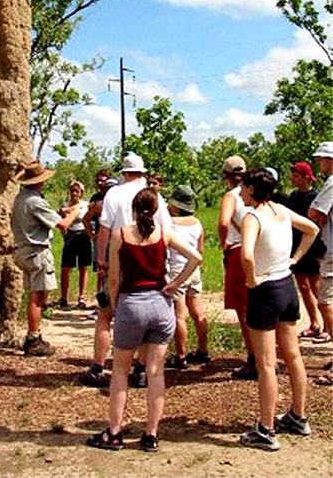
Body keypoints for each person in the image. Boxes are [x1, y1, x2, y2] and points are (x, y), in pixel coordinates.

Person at [86, 187, 201, 451]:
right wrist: (174, 284)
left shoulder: (120, 235)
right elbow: (196, 258)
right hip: (160, 305)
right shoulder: (164, 233)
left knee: (120, 371)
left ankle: (114, 432)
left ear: (133, 210)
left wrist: (114, 307)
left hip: (132, 303)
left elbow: (114, 279)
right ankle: (151, 434)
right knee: (155, 371)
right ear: (157, 209)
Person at [238, 168, 319, 451]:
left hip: (265, 291)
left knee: (267, 364)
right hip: (286, 288)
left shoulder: (252, 217)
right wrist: (294, 258)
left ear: (251, 189)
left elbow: (246, 254)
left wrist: (251, 280)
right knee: (293, 355)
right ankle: (298, 415)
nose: (240, 192)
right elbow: (313, 229)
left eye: (243, 187)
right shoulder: (281, 210)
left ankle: (266, 428)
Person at [80, 153, 172, 389]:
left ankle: (98, 368)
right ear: (142, 172)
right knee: (146, 315)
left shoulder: (115, 193)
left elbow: (104, 229)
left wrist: (101, 259)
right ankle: (140, 369)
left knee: (105, 314)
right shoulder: (155, 196)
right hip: (150, 262)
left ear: (124, 173)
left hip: (118, 259)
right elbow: (165, 229)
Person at [12, 160, 83, 356]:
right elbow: (62, 225)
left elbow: (42, 218)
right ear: (38, 181)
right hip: (37, 252)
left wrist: (59, 213)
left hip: (24, 251)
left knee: (36, 293)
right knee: (38, 295)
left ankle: (34, 334)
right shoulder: (36, 201)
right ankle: (33, 339)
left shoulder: (21, 198)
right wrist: (76, 211)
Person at [218, 155, 256, 380]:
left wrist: (224, 244)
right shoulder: (258, 192)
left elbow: (223, 222)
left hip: (239, 252)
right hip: (260, 252)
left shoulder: (232, 196)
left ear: (226, 176)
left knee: (244, 309)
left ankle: (254, 358)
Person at [166, 185, 209, 368]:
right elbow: (200, 251)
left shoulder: (169, 224)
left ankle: (181, 355)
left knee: (179, 316)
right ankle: (202, 350)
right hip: (194, 270)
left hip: (177, 270)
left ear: (176, 206)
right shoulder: (197, 223)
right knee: (198, 313)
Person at [286, 161, 324, 339]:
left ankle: (327, 326)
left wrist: (320, 251)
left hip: (314, 248)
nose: (293, 178)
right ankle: (314, 323)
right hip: (297, 249)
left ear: (306, 178)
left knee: (317, 288)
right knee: (303, 286)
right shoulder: (292, 197)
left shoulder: (316, 197)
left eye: (296, 175)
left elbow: (319, 226)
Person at [308, 141, 333, 384]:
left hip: (332, 251)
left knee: (326, 303)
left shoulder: (332, 183)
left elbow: (315, 214)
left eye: (322, 158)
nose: (319, 163)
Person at [58, 180, 90, 308]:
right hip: (70, 235)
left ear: (81, 193)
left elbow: (88, 219)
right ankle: (64, 297)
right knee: (66, 268)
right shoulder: (65, 205)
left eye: (77, 191)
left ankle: (81, 298)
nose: (74, 193)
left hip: (83, 235)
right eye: (72, 191)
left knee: (83, 267)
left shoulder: (85, 205)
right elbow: (61, 222)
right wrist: (64, 235)